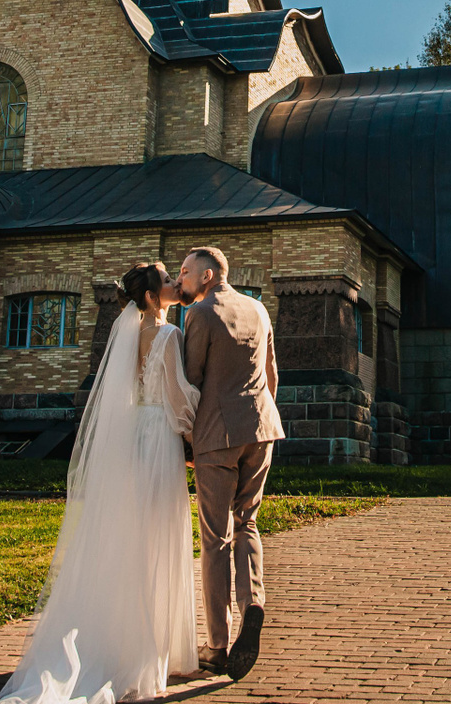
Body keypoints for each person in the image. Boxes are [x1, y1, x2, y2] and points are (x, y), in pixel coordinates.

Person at [0, 262, 200, 704]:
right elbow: (177, 396)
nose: (173, 284)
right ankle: (151, 648)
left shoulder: (126, 336)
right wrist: (197, 422)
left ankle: (118, 637)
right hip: (158, 435)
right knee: (158, 532)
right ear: (152, 298)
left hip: (132, 433)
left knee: (130, 535)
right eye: (167, 281)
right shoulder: (168, 334)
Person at [181, 246, 285, 682]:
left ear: (207, 276)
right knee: (248, 522)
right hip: (262, 430)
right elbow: (272, 375)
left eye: (185, 272)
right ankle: (253, 602)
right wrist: (258, 419)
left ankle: (218, 645)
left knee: (215, 538)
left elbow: (191, 380)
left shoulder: (200, 314)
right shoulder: (259, 309)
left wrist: (187, 440)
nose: (181, 280)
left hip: (216, 435)